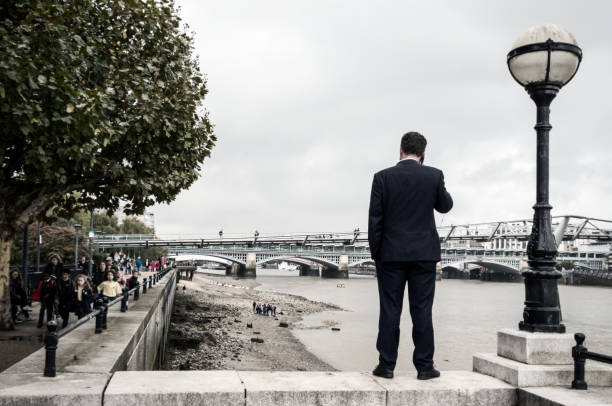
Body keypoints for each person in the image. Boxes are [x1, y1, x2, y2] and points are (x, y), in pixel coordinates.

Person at [368, 131, 453, 381]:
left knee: (390, 311)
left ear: (400, 150)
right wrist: (433, 181)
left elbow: (375, 221)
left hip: (391, 255)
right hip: (424, 255)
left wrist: (377, 254)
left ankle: (386, 366)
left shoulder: (382, 178)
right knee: (422, 311)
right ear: (422, 153)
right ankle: (425, 367)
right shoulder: (433, 175)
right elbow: (445, 206)